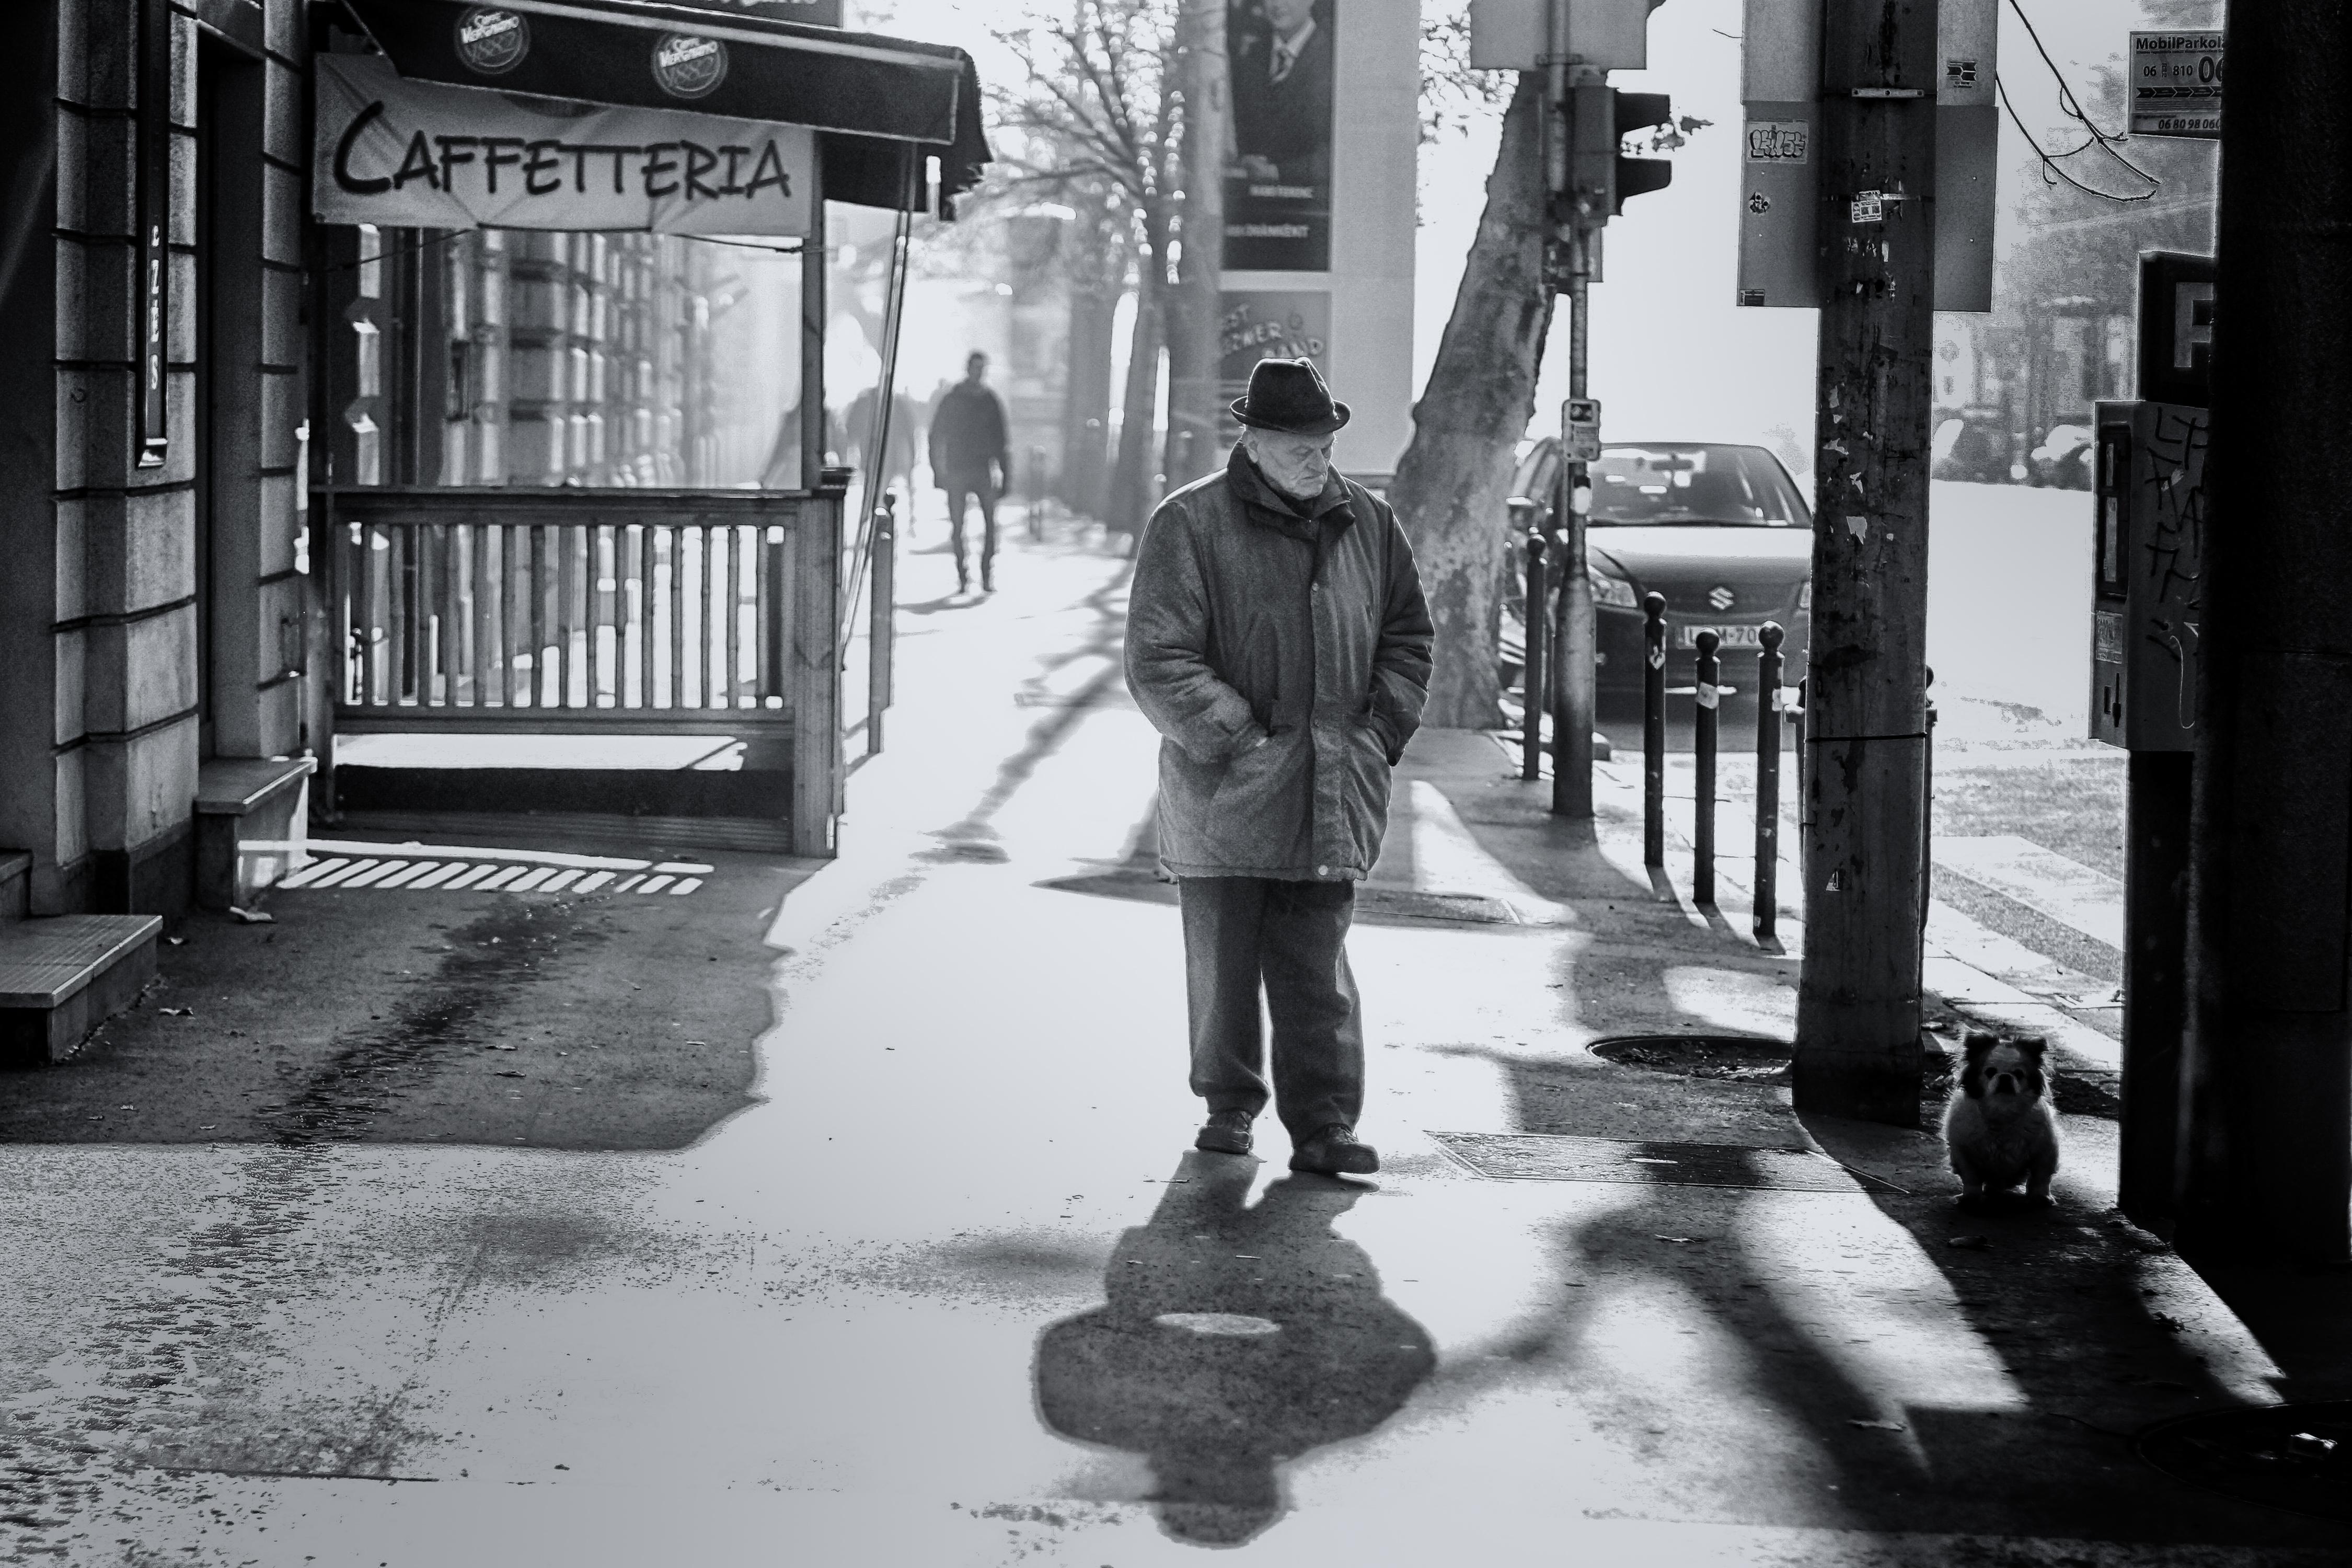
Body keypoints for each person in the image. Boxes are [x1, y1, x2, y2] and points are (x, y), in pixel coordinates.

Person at [1123, 358, 1433, 1177]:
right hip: (1226, 792)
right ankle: (1229, 1108)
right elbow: (1158, 658)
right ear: (1253, 441)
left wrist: (1379, 730)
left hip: (1334, 788)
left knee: (1317, 968)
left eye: (1323, 443)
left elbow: (1409, 635)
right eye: (1297, 444)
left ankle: (1325, 1127)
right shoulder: (1189, 524)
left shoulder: (1369, 522)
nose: (1315, 459)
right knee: (1222, 967)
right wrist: (1239, 736)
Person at [927, 351, 1011, 593]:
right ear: (968, 369)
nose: (979, 372)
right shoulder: (953, 399)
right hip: (958, 469)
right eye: (976, 368)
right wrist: (937, 472)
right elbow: (936, 437)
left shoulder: (989, 400)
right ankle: (963, 575)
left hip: (981, 469)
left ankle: (986, 575)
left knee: (990, 526)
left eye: (982, 368)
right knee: (958, 525)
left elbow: (1002, 441)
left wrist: (1005, 475)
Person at [1228, 0, 1334, 186]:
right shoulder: (1251, 57)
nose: (1278, 4)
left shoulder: (1334, 57)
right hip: (1252, 200)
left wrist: (1278, 172)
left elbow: (1343, 152)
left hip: (1312, 201)